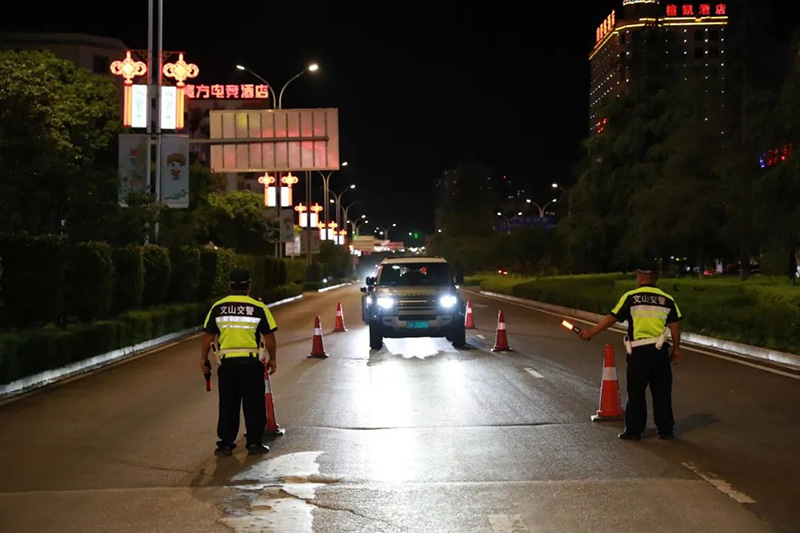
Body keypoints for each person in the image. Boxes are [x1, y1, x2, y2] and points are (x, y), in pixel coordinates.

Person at [579, 260, 681, 441]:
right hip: (660, 353)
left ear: (640, 278)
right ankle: (666, 430)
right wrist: (677, 350)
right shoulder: (667, 299)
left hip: (639, 352)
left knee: (636, 392)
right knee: (662, 392)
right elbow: (675, 327)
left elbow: (611, 318)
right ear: (655, 279)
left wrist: (590, 333)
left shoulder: (631, 297)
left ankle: (634, 431)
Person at [200, 269, 278, 456]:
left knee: (228, 404)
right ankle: (254, 443)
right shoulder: (259, 308)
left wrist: (203, 359)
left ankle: (226, 444)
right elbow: (269, 337)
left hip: (227, 365)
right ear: (249, 286)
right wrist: (273, 359)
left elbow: (208, 337)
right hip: (251, 364)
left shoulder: (218, 307)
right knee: (254, 403)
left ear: (230, 285)